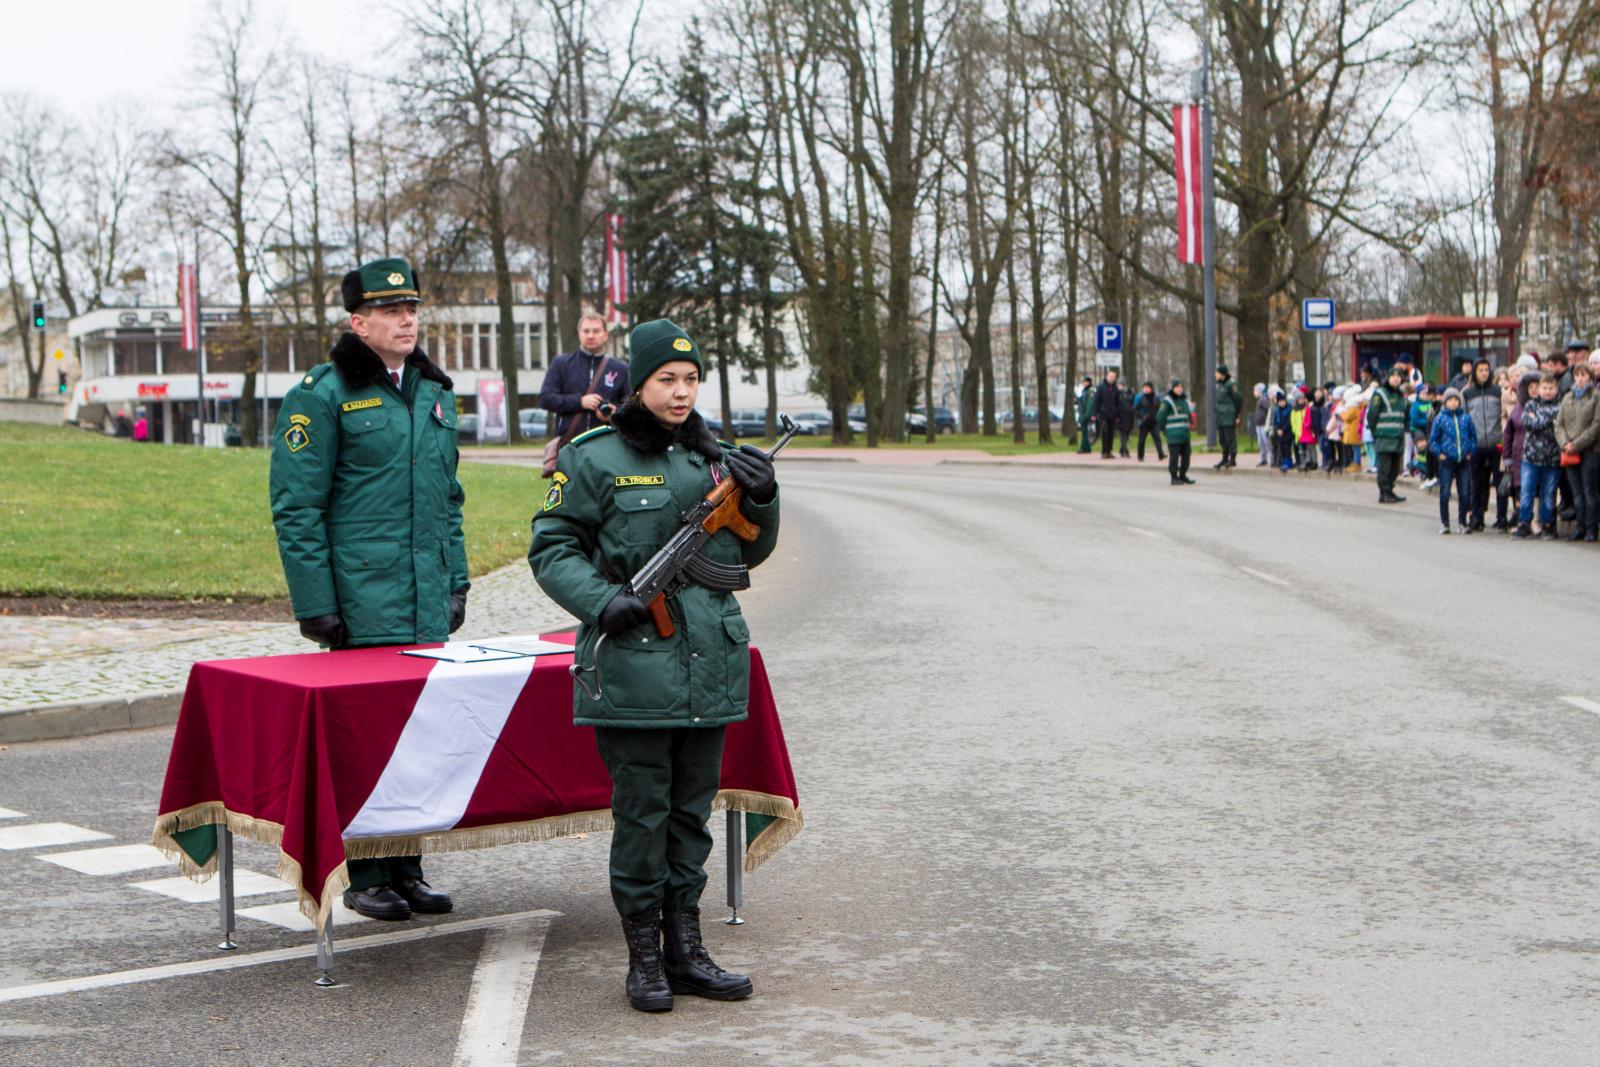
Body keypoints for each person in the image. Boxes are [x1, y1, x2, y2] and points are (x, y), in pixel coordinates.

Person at [529, 318, 777, 1013]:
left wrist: (763, 497)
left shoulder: (713, 460)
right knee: (643, 815)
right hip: (635, 665)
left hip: (709, 664)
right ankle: (644, 957)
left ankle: (687, 950)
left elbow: (745, 555)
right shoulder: (593, 457)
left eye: (691, 379)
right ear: (637, 383)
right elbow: (551, 548)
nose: (681, 392)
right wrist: (601, 601)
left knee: (692, 816)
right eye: (667, 379)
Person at [269, 256, 467, 920]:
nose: (406, 320)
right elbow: (297, 507)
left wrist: (457, 581)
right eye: (390, 311)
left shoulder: (434, 391)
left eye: (411, 309)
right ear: (358, 323)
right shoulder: (322, 394)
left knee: (418, 739)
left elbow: (449, 499)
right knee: (366, 741)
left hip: (424, 597)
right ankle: (364, 873)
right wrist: (316, 603)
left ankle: (406, 868)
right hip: (361, 599)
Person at [541, 311, 631, 443]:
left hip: (606, 443)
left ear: (605, 335)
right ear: (579, 333)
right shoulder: (562, 364)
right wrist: (579, 402)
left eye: (596, 331)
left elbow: (632, 406)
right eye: (586, 331)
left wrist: (614, 412)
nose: (590, 336)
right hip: (570, 444)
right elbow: (546, 399)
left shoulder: (620, 369)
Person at [1554, 360, 1600, 541]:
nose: (1580, 379)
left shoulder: (1596, 397)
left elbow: (1596, 426)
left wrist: (1577, 444)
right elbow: (1559, 424)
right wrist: (1565, 443)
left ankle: (1591, 528)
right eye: (1577, 375)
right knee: (1577, 492)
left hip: (1590, 450)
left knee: (1590, 491)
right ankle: (1580, 526)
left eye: (1584, 375)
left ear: (1590, 377)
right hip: (1569, 450)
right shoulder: (1568, 397)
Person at [1513, 373, 1563, 540]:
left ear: (1556, 389)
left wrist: (1540, 420)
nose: (1547, 391)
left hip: (1552, 458)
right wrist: (1547, 421)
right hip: (1531, 457)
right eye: (1545, 388)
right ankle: (1524, 523)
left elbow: (1558, 426)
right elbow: (1528, 423)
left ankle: (1548, 525)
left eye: (1551, 388)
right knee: (1527, 491)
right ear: (1539, 389)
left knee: (1548, 493)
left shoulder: (1560, 407)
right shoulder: (1531, 404)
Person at [1460, 359, 1502, 531]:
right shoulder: (1467, 393)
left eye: (1486, 370)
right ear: (1475, 373)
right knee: (1477, 483)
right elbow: (1463, 419)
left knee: (1500, 482)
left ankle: (1502, 517)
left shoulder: (1497, 391)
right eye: (1480, 370)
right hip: (1476, 444)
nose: (1484, 373)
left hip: (1496, 443)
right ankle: (1477, 517)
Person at [1429, 387, 1477, 534]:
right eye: (1450, 400)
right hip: (1447, 461)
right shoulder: (1440, 419)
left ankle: (1462, 522)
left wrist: (1470, 451)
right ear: (1445, 402)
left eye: (1456, 400)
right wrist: (1440, 453)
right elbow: (1433, 441)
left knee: (1464, 493)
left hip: (1463, 460)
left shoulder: (1466, 418)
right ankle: (1445, 523)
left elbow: (1473, 437)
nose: (1454, 403)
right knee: (1445, 492)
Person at [1370, 366, 1409, 503]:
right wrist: (1376, 432)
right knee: (1384, 468)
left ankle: (1390, 491)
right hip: (1384, 437)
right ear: (1388, 378)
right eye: (1393, 376)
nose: (1396, 379)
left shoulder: (1400, 395)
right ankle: (1384, 493)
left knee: (1395, 468)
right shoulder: (1380, 393)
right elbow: (1372, 415)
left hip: (1398, 437)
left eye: (1399, 376)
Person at [1158, 378, 1195, 485]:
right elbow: (1160, 418)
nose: (1180, 389)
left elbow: (1187, 415)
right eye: (1177, 387)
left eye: (1181, 387)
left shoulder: (1184, 400)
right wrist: (1164, 431)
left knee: (1186, 456)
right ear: (1172, 388)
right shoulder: (1167, 401)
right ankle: (1174, 478)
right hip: (1173, 436)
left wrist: (1190, 421)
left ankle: (1182, 476)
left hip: (1185, 435)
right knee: (1174, 457)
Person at [1213, 364, 1242, 469]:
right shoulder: (1218, 384)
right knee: (1222, 438)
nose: (1215, 375)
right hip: (1220, 416)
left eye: (1217, 373)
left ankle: (1232, 459)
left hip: (1229, 415)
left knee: (1230, 438)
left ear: (1222, 374)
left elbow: (1238, 399)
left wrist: (1237, 414)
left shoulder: (1231, 384)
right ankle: (1224, 458)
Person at [1095, 369, 1124, 459]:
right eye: (1110, 376)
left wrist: (1118, 414)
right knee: (1105, 432)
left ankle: (1109, 451)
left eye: (1113, 377)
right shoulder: (1101, 387)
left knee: (1111, 433)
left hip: (1113, 414)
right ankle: (1104, 451)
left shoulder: (1115, 388)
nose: (1112, 378)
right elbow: (1096, 401)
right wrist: (1094, 413)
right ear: (1107, 377)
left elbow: (1118, 402)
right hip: (1103, 414)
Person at [1134, 382, 1166, 462]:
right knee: (1142, 439)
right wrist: (1141, 416)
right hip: (1144, 422)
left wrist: (1158, 417)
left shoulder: (1156, 397)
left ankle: (1161, 454)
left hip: (1153, 421)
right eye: (1144, 388)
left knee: (1157, 438)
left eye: (1147, 388)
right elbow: (1135, 409)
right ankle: (1140, 456)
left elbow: (1159, 408)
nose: (1145, 389)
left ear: (1151, 389)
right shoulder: (1140, 397)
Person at [1074, 376, 1096, 454]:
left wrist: (1086, 415)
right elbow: (1082, 401)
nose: (1083, 383)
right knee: (1084, 432)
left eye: (1085, 382)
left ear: (1088, 382)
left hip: (1086, 415)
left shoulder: (1091, 391)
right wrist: (1077, 399)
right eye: (1083, 382)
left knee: (1086, 432)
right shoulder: (1085, 391)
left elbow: (1090, 404)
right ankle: (1086, 448)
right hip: (1083, 414)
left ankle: (1084, 448)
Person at [1252, 383, 1271, 466]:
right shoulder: (1260, 399)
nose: (1254, 392)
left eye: (1255, 390)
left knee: (1266, 442)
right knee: (1261, 443)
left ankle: (1272, 459)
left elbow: (1269, 410)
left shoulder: (1263, 399)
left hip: (1263, 425)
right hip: (1259, 425)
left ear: (1260, 391)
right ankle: (1264, 459)